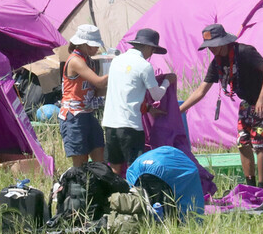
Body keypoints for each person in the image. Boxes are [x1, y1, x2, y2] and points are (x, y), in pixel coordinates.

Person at [179, 24, 263, 190]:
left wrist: (262, 98)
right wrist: (179, 111)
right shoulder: (217, 63)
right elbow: (201, 90)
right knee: (243, 142)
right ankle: (251, 186)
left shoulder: (244, 52)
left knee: (260, 142)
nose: (211, 49)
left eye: (213, 46)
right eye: (208, 47)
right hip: (247, 102)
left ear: (223, 42)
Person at [101, 28, 175, 176]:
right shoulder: (144, 66)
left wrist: (147, 108)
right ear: (149, 47)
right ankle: (134, 197)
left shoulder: (116, 61)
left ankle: (116, 197)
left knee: (115, 168)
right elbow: (157, 95)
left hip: (110, 124)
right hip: (130, 127)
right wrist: (167, 81)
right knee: (135, 167)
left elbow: (125, 94)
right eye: (153, 50)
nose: (151, 55)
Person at [58, 24, 109, 168]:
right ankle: (81, 187)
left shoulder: (88, 60)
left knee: (99, 152)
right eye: (94, 46)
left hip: (87, 114)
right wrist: (117, 70)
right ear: (84, 45)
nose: (97, 49)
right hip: (73, 116)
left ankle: (98, 183)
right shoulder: (75, 60)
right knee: (81, 163)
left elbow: (97, 91)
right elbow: (99, 82)